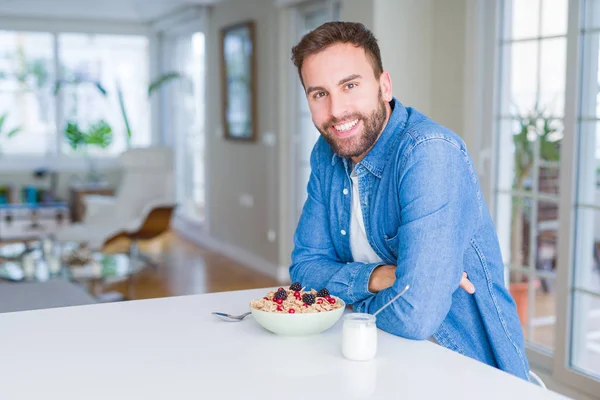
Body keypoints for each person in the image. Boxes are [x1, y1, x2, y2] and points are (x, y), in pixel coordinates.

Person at [288, 21, 530, 381]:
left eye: (350, 85)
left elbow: (417, 316)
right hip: (370, 360)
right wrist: (379, 277)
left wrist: (347, 301)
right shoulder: (327, 155)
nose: (337, 111)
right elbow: (304, 274)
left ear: (384, 86)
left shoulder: (428, 153)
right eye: (319, 94)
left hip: (463, 370)